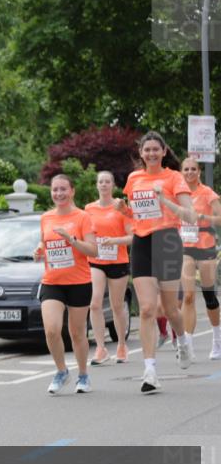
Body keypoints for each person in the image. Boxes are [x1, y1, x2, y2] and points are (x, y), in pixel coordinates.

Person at [114, 131, 197, 392]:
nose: (150, 153)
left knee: (170, 309)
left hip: (168, 241)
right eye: (146, 149)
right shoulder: (134, 179)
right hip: (142, 242)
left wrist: (164, 200)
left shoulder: (174, 178)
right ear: (141, 153)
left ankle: (183, 340)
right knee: (148, 309)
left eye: (155, 149)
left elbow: (191, 216)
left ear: (163, 152)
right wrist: (123, 210)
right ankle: (150, 370)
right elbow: (136, 215)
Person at [34, 174, 98, 394]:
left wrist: (71, 240)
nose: (58, 194)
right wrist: (39, 250)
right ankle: (62, 371)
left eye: (63, 189)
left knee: (77, 333)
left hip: (79, 282)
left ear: (72, 191)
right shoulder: (46, 218)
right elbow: (44, 242)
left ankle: (83, 375)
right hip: (52, 281)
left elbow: (93, 250)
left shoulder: (82, 217)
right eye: (55, 190)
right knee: (51, 330)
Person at [85, 170, 133, 365]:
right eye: (101, 182)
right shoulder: (88, 209)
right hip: (96, 260)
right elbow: (83, 233)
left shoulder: (121, 207)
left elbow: (132, 236)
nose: (104, 185)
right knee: (95, 303)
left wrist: (114, 241)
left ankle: (121, 344)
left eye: (107, 182)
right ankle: (101, 348)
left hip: (118, 261)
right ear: (97, 185)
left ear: (113, 186)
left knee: (116, 305)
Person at [178, 156, 221, 359]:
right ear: (181, 172)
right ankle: (189, 346)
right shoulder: (176, 194)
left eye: (193, 169)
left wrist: (203, 218)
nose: (189, 173)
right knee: (188, 296)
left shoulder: (207, 193)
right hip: (185, 248)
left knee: (209, 295)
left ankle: (217, 338)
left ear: (199, 172)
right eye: (186, 169)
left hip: (206, 247)